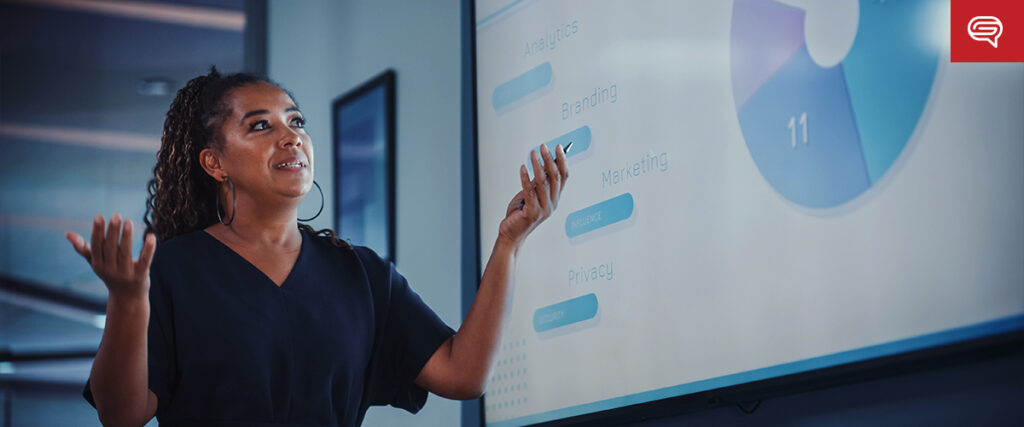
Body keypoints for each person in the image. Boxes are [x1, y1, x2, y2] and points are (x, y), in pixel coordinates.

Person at [64, 67, 569, 426]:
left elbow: (464, 375)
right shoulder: (174, 269)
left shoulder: (361, 274)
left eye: (296, 122)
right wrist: (128, 303)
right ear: (215, 163)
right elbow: (122, 414)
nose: (290, 137)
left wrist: (509, 242)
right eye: (260, 126)